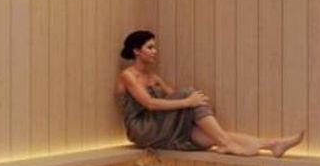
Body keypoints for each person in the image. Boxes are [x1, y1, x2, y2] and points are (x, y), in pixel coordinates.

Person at [115, 30, 303, 156]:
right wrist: (188, 101)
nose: (155, 51)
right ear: (136, 51)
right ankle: (226, 142)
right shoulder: (127, 76)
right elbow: (150, 104)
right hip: (142, 129)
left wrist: (189, 104)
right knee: (190, 94)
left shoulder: (154, 77)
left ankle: (272, 144)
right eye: (150, 47)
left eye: (155, 47)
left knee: (210, 135)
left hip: (160, 125)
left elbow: (173, 97)